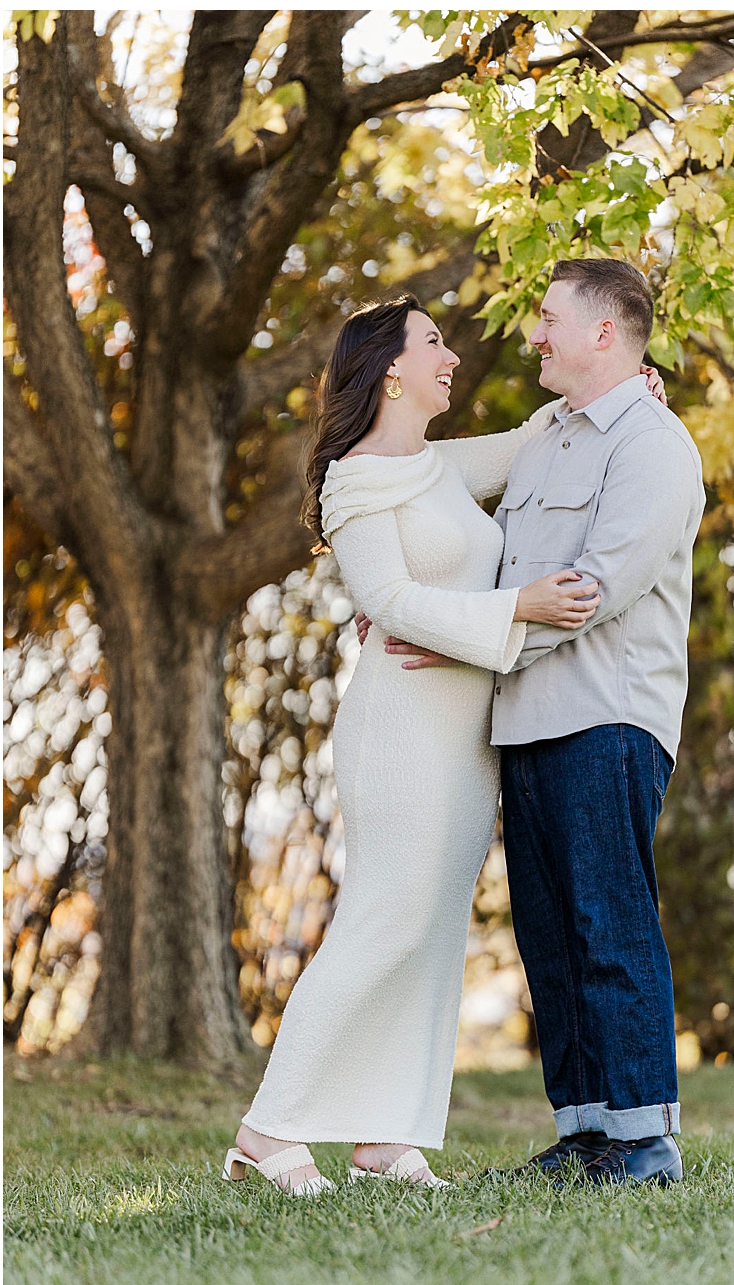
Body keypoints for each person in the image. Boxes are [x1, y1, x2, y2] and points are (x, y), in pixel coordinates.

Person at [224, 289, 670, 1196]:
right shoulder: (354, 479)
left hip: (468, 737)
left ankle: (385, 1137)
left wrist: (631, 381)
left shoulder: (437, 468)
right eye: (435, 343)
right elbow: (386, 603)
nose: (453, 357)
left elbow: (539, 440)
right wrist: (519, 607)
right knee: (383, 920)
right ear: (390, 367)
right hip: (399, 731)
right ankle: (264, 1132)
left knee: (430, 934)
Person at [376, 258, 703, 1186]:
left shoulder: (654, 443)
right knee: (551, 939)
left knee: (611, 923)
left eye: (551, 318)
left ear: (606, 332)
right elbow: (462, 516)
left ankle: (646, 1140)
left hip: (608, 715)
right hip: (522, 718)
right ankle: (587, 1131)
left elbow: (592, 593)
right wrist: (423, 603)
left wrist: (470, 640)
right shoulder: (551, 434)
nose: (534, 334)